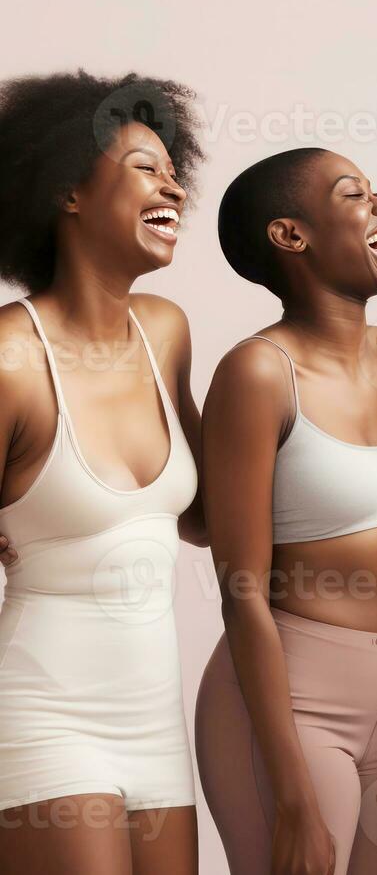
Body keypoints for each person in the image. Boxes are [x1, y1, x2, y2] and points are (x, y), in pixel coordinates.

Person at [194, 148, 377, 875]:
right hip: (289, 703)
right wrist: (293, 795)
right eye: (355, 195)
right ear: (291, 236)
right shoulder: (258, 372)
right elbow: (241, 593)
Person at [0, 69, 207, 874]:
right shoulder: (14, 357)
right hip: (43, 716)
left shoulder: (166, 332)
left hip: (156, 723)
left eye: (173, 168)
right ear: (68, 193)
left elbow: (202, 519)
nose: (173, 186)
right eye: (144, 168)